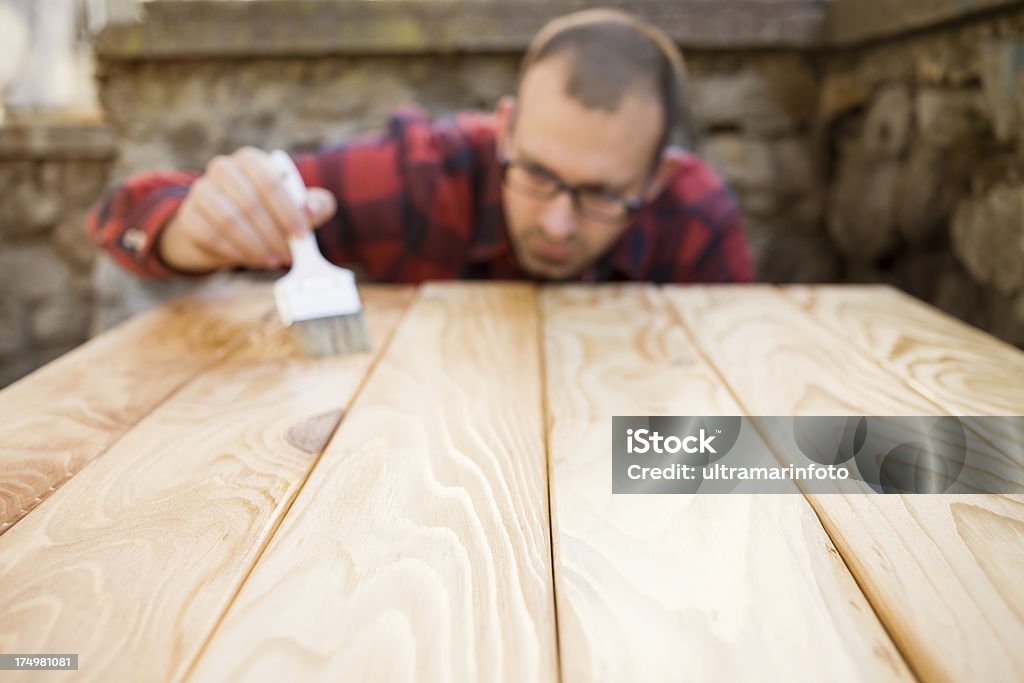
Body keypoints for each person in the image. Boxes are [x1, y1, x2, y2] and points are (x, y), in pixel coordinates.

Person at [88, 9, 755, 284]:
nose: (557, 222)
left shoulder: (698, 221)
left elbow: (736, 444)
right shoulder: (423, 179)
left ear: (661, 176)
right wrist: (190, 230)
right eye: (538, 173)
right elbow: (126, 210)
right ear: (507, 128)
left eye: (604, 193)